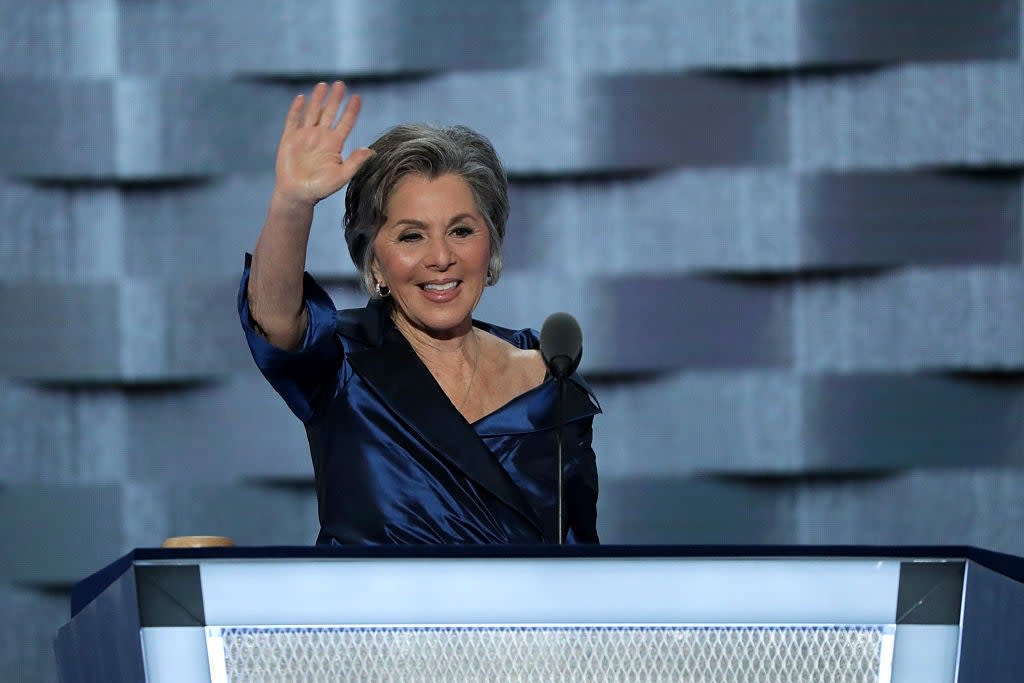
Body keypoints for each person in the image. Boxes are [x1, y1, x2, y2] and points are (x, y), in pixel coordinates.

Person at [238, 81, 600, 545]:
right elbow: (274, 319)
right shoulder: (340, 361)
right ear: (374, 261)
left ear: (490, 244)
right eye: (412, 236)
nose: (441, 257)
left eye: (461, 230)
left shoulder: (550, 376)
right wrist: (292, 203)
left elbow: (583, 556)